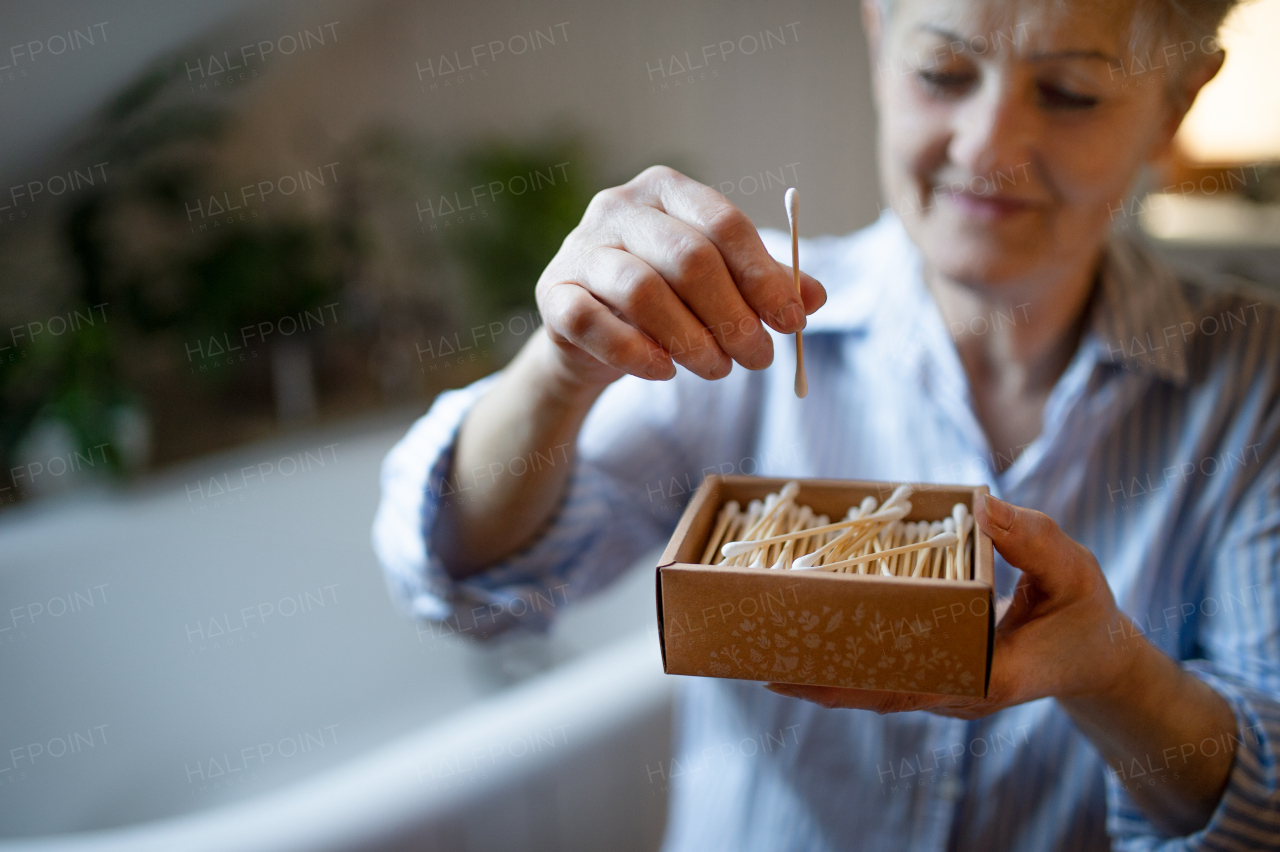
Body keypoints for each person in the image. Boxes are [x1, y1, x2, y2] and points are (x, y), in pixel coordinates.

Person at [373, 0, 1280, 847]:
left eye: (1070, 91)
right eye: (942, 73)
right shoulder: (729, 330)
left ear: (1176, 103)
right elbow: (478, 588)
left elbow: (1263, 806)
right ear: (880, 40)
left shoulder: (1255, 374)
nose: (989, 144)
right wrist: (559, 370)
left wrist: (1116, 675)